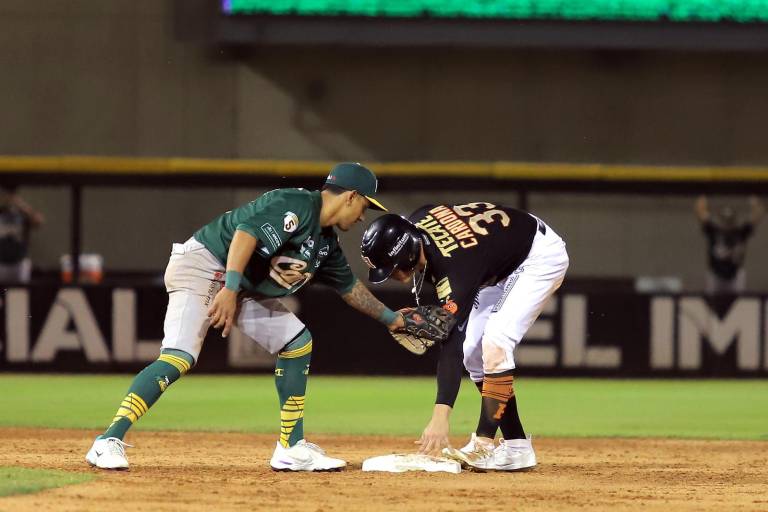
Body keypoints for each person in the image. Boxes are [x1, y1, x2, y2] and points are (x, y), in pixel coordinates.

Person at [86, 162, 405, 472]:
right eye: (364, 204)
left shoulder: (325, 243)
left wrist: (393, 319)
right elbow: (245, 234)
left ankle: (291, 448)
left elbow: (350, 288)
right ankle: (107, 440)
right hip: (203, 265)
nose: (364, 215)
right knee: (179, 357)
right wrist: (229, 288)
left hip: (237, 284)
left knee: (296, 342)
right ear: (350, 195)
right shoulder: (296, 203)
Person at [360, 202, 568, 471]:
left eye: (393, 267)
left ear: (408, 253)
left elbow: (451, 341)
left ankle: (483, 445)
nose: (395, 276)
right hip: (497, 259)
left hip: (536, 256)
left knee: (496, 339)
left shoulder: (457, 268)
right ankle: (517, 446)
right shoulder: (417, 223)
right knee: (473, 352)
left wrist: (440, 414)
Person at [695, 195, 764, 295]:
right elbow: (700, 213)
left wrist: (755, 202)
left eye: (729, 220)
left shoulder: (740, 232)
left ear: (733, 220)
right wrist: (703, 196)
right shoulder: (714, 231)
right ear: (720, 220)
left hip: (734, 277)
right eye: (724, 220)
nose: (726, 223)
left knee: (741, 281)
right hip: (716, 276)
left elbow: (757, 217)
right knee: (713, 304)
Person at [0, 185, 45, 283]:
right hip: (1, 262)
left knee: (21, 295)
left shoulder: (22, 214)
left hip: (19, 263)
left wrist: (21, 205)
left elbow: (38, 221)